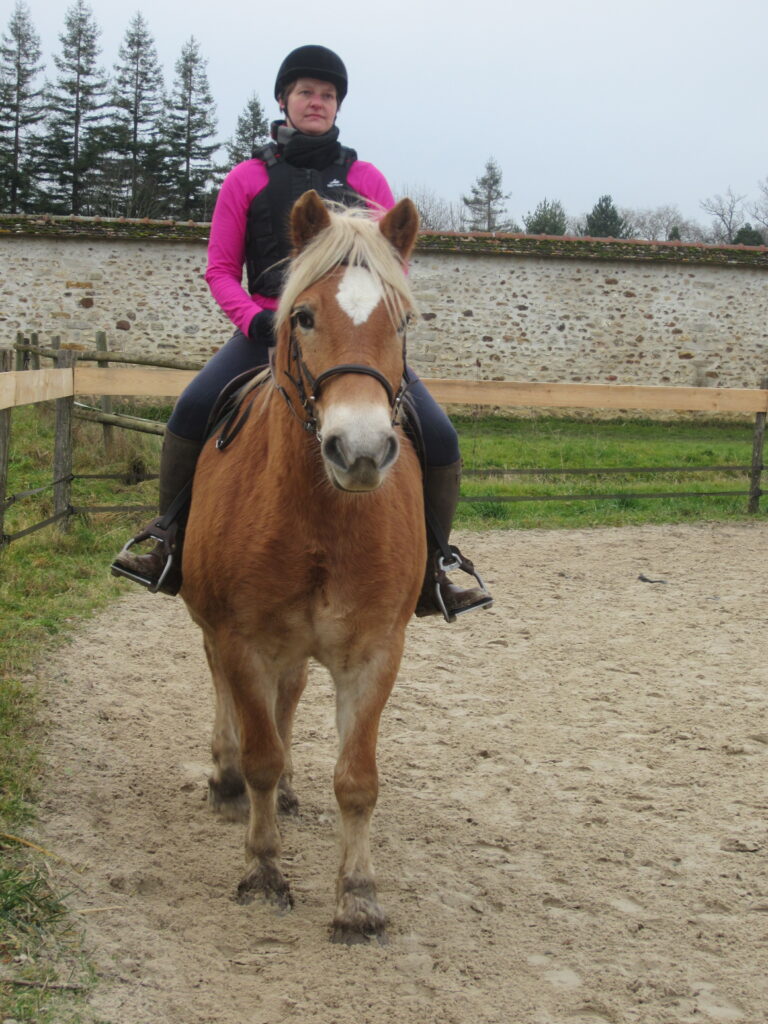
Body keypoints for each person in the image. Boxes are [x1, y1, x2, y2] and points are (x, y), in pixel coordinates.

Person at [112, 44, 492, 620]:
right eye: (306, 93)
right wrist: (256, 319)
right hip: (266, 329)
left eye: (328, 95)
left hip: (351, 339)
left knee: (439, 436)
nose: (317, 102)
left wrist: (362, 317)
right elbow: (219, 269)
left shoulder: (366, 178)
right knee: (191, 409)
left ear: (338, 105)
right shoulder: (247, 179)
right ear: (285, 100)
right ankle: (168, 541)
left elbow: (392, 264)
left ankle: (435, 567)